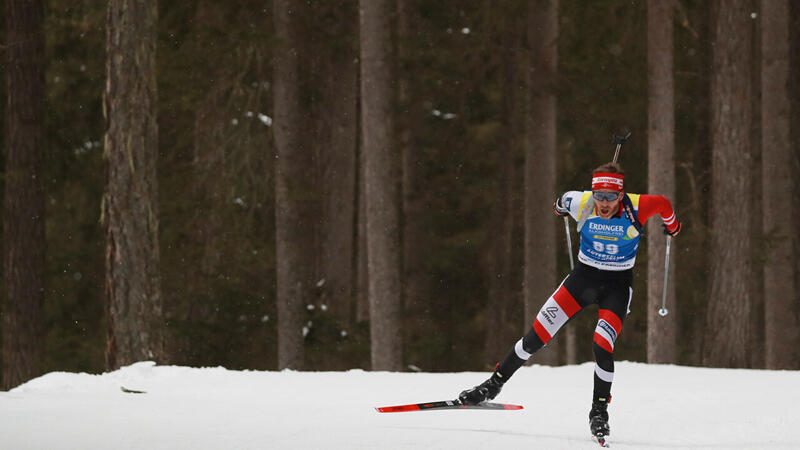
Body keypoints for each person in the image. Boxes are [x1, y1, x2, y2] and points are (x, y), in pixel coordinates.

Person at [458, 162, 681, 443]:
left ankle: (599, 412)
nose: (604, 203)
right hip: (582, 281)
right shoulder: (582, 201)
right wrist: (559, 208)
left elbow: (664, 204)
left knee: (602, 344)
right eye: (599, 196)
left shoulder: (638, 206)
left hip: (616, 286)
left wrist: (673, 226)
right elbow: (560, 202)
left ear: (621, 196)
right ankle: (492, 385)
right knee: (535, 338)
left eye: (611, 197)